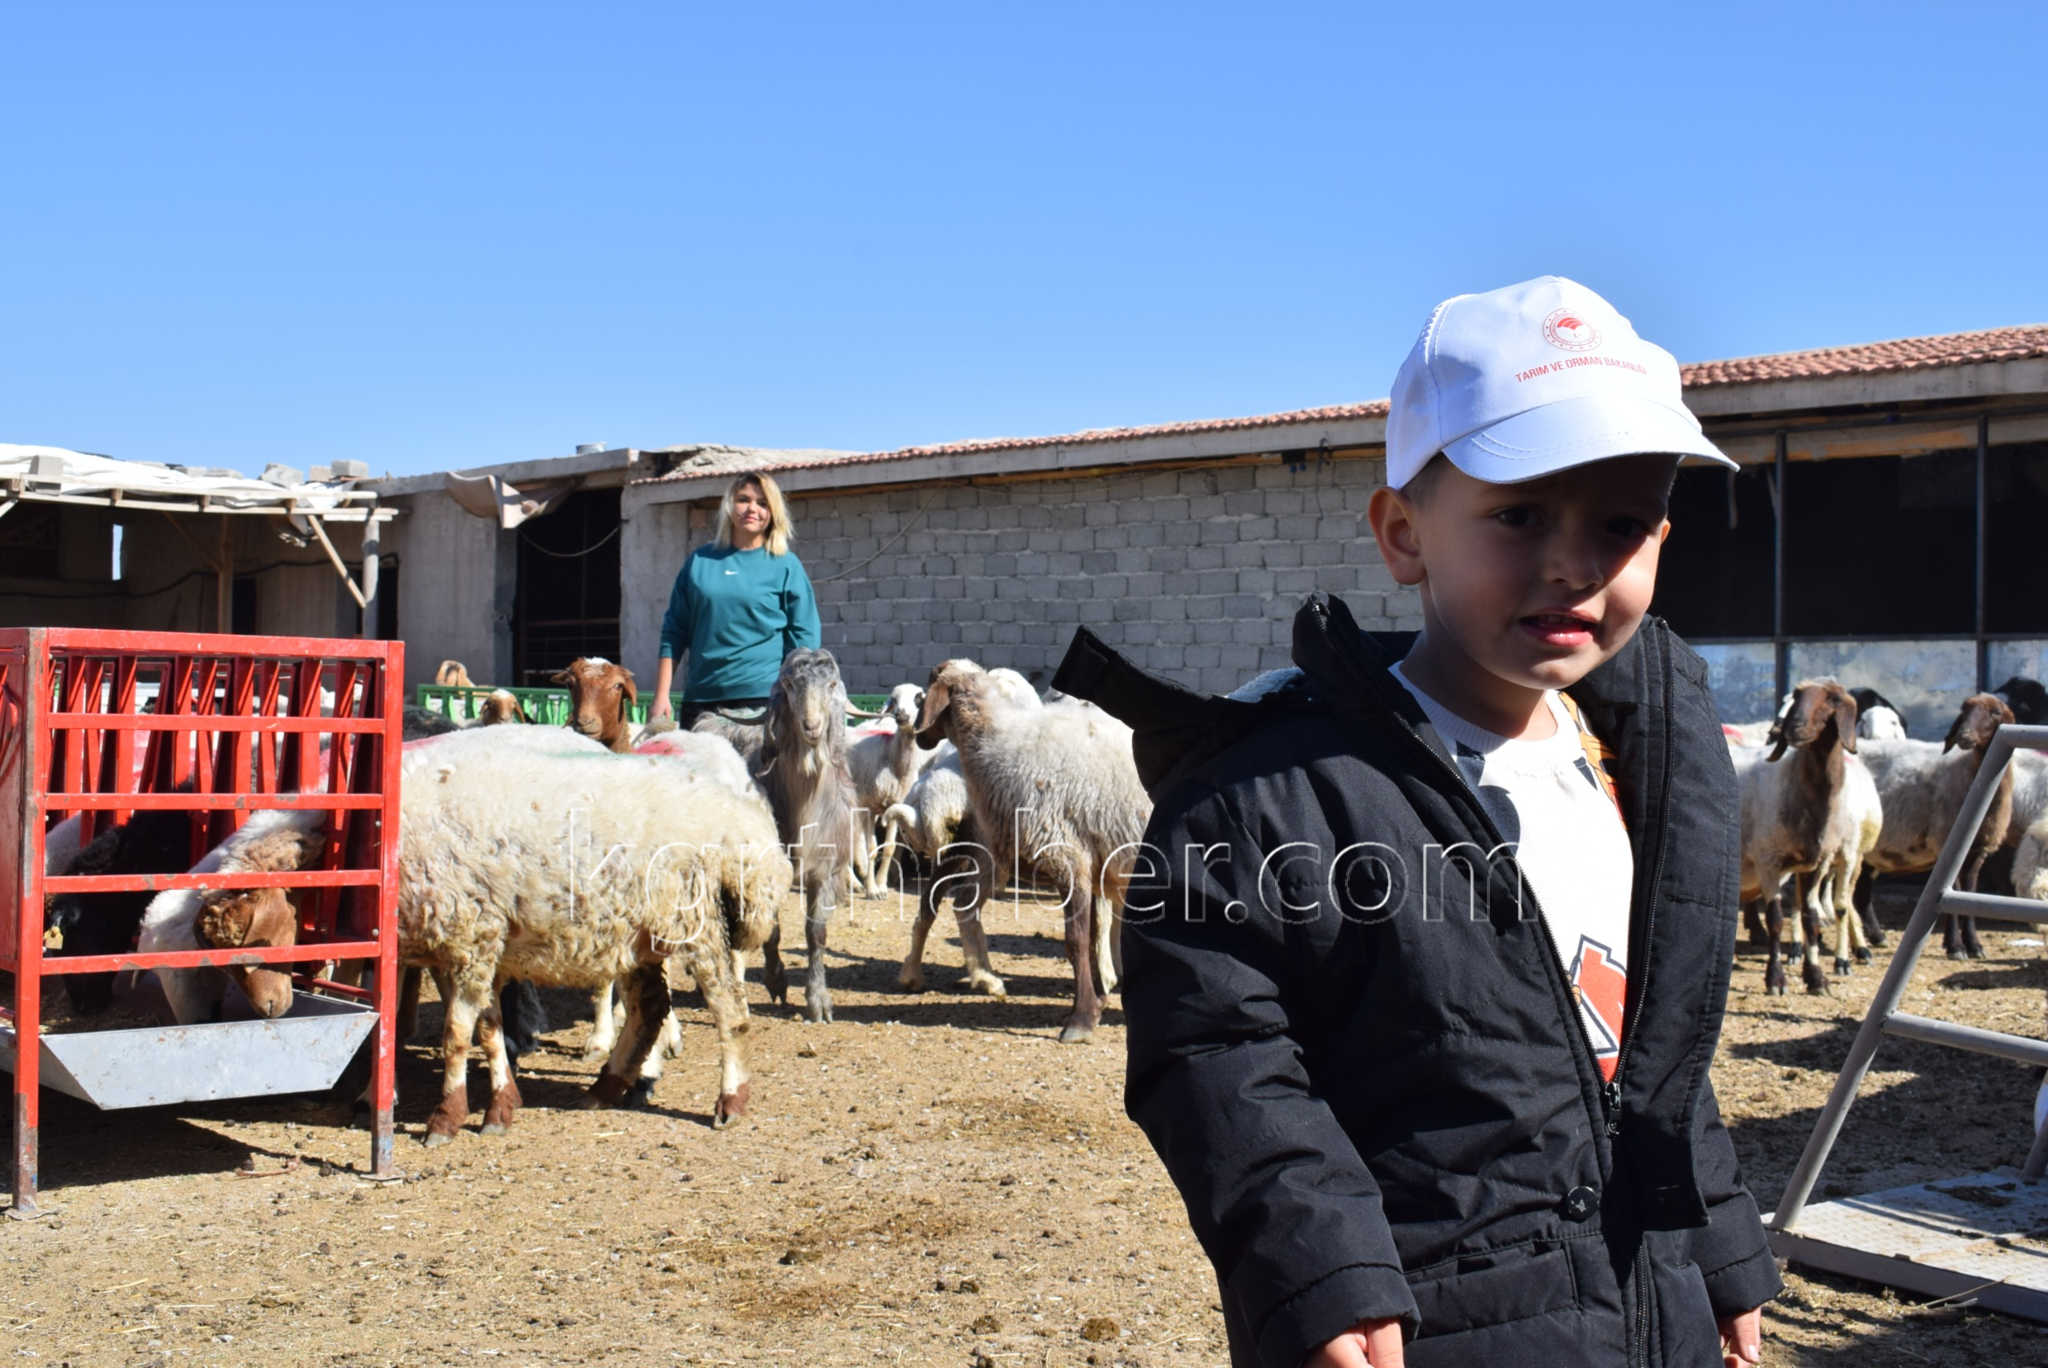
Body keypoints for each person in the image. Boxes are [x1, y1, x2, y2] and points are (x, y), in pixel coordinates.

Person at [1053, 276, 1779, 1367]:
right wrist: (1315, 1270)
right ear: (1402, 534)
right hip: (1427, 1319)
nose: (1572, 564)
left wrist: (1713, 1241)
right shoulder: (1275, 795)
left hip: (1646, 1307)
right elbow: (1215, 1047)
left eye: (1618, 524)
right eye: (1518, 512)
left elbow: (1652, 1048)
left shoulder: (1643, 772)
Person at [650, 471, 821, 728]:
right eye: (744, 499)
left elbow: (804, 641)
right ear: (730, 506)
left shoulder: (786, 565)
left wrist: (798, 699)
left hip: (763, 703)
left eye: (763, 503)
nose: (752, 508)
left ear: (773, 513)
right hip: (702, 701)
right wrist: (661, 695)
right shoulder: (699, 562)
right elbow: (674, 632)